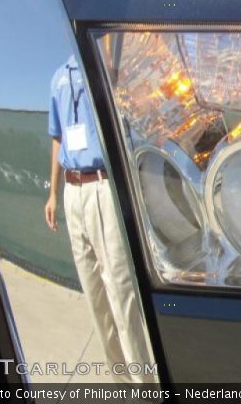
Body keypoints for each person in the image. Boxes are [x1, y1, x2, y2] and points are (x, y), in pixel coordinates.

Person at [44, 55, 153, 384]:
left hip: (102, 186)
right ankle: (122, 383)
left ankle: (146, 386)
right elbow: (58, 137)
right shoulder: (58, 77)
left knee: (120, 291)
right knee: (94, 294)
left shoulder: (107, 67)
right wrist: (53, 191)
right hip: (72, 190)